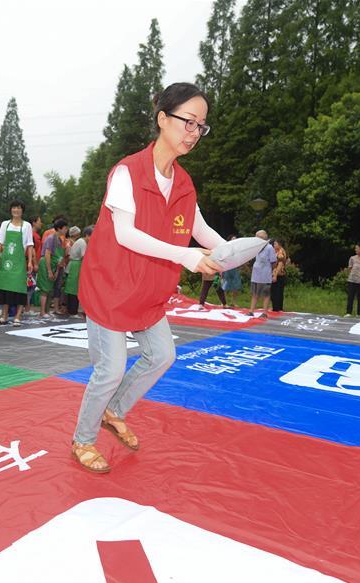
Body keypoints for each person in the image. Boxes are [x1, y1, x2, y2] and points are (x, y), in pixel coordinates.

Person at [74, 82, 225, 473]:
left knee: (162, 355)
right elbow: (125, 234)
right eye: (188, 122)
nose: (194, 133)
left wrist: (233, 252)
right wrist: (187, 257)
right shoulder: (127, 172)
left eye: (201, 126)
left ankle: (113, 411)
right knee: (110, 368)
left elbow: (202, 232)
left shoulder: (184, 183)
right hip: (111, 288)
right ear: (162, 118)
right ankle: (83, 440)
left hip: (147, 292)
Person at [0, 200, 35, 326]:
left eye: (19, 208)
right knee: (4, 288)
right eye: (14, 208)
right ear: (11, 210)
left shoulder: (27, 226)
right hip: (6, 262)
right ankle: (4, 316)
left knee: (19, 289)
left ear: (22, 210)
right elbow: (0, 242)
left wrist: (30, 262)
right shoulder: (5, 224)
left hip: (19, 262)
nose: (16, 210)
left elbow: (30, 244)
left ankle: (17, 316)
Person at [37, 218, 68, 317]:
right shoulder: (51, 238)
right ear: (59, 228)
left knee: (50, 289)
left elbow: (59, 256)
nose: (66, 230)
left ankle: (46, 311)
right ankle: (42, 311)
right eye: (65, 228)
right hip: (47, 264)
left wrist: (57, 270)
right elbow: (47, 254)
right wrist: (49, 270)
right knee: (45, 289)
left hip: (55, 265)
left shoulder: (59, 239)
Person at [249, 230, 277, 317]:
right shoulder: (257, 247)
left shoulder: (269, 248)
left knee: (266, 293)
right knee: (254, 293)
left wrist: (270, 271)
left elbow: (274, 262)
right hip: (256, 274)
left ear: (262, 238)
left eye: (257, 237)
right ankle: (251, 311)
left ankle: (264, 312)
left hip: (265, 275)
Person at [64, 225, 89, 317]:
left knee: (73, 290)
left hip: (74, 265)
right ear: (87, 235)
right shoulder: (82, 242)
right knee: (73, 290)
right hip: (75, 266)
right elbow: (84, 256)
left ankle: (71, 310)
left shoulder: (80, 241)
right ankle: (72, 311)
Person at [220, 234, 243, 308]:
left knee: (235, 286)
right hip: (227, 268)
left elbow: (240, 258)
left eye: (235, 239)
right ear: (229, 240)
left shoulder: (238, 249)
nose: (234, 240)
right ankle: (223, 302)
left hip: (235, 268)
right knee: (225, 285)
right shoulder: (226, 248)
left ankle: (234, 302)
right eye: (233, 239)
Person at [270, 239, 289, 312]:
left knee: (276, 292)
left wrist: (275, 275)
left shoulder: (280, 252)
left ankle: (276, 308)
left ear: (279, 244)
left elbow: (280, 264)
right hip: (278, 274)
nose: (274, 245)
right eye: (274, 244)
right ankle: (278, 307)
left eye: (275, 244)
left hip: (279, 274)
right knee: (278, 291)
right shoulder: (277, 251)